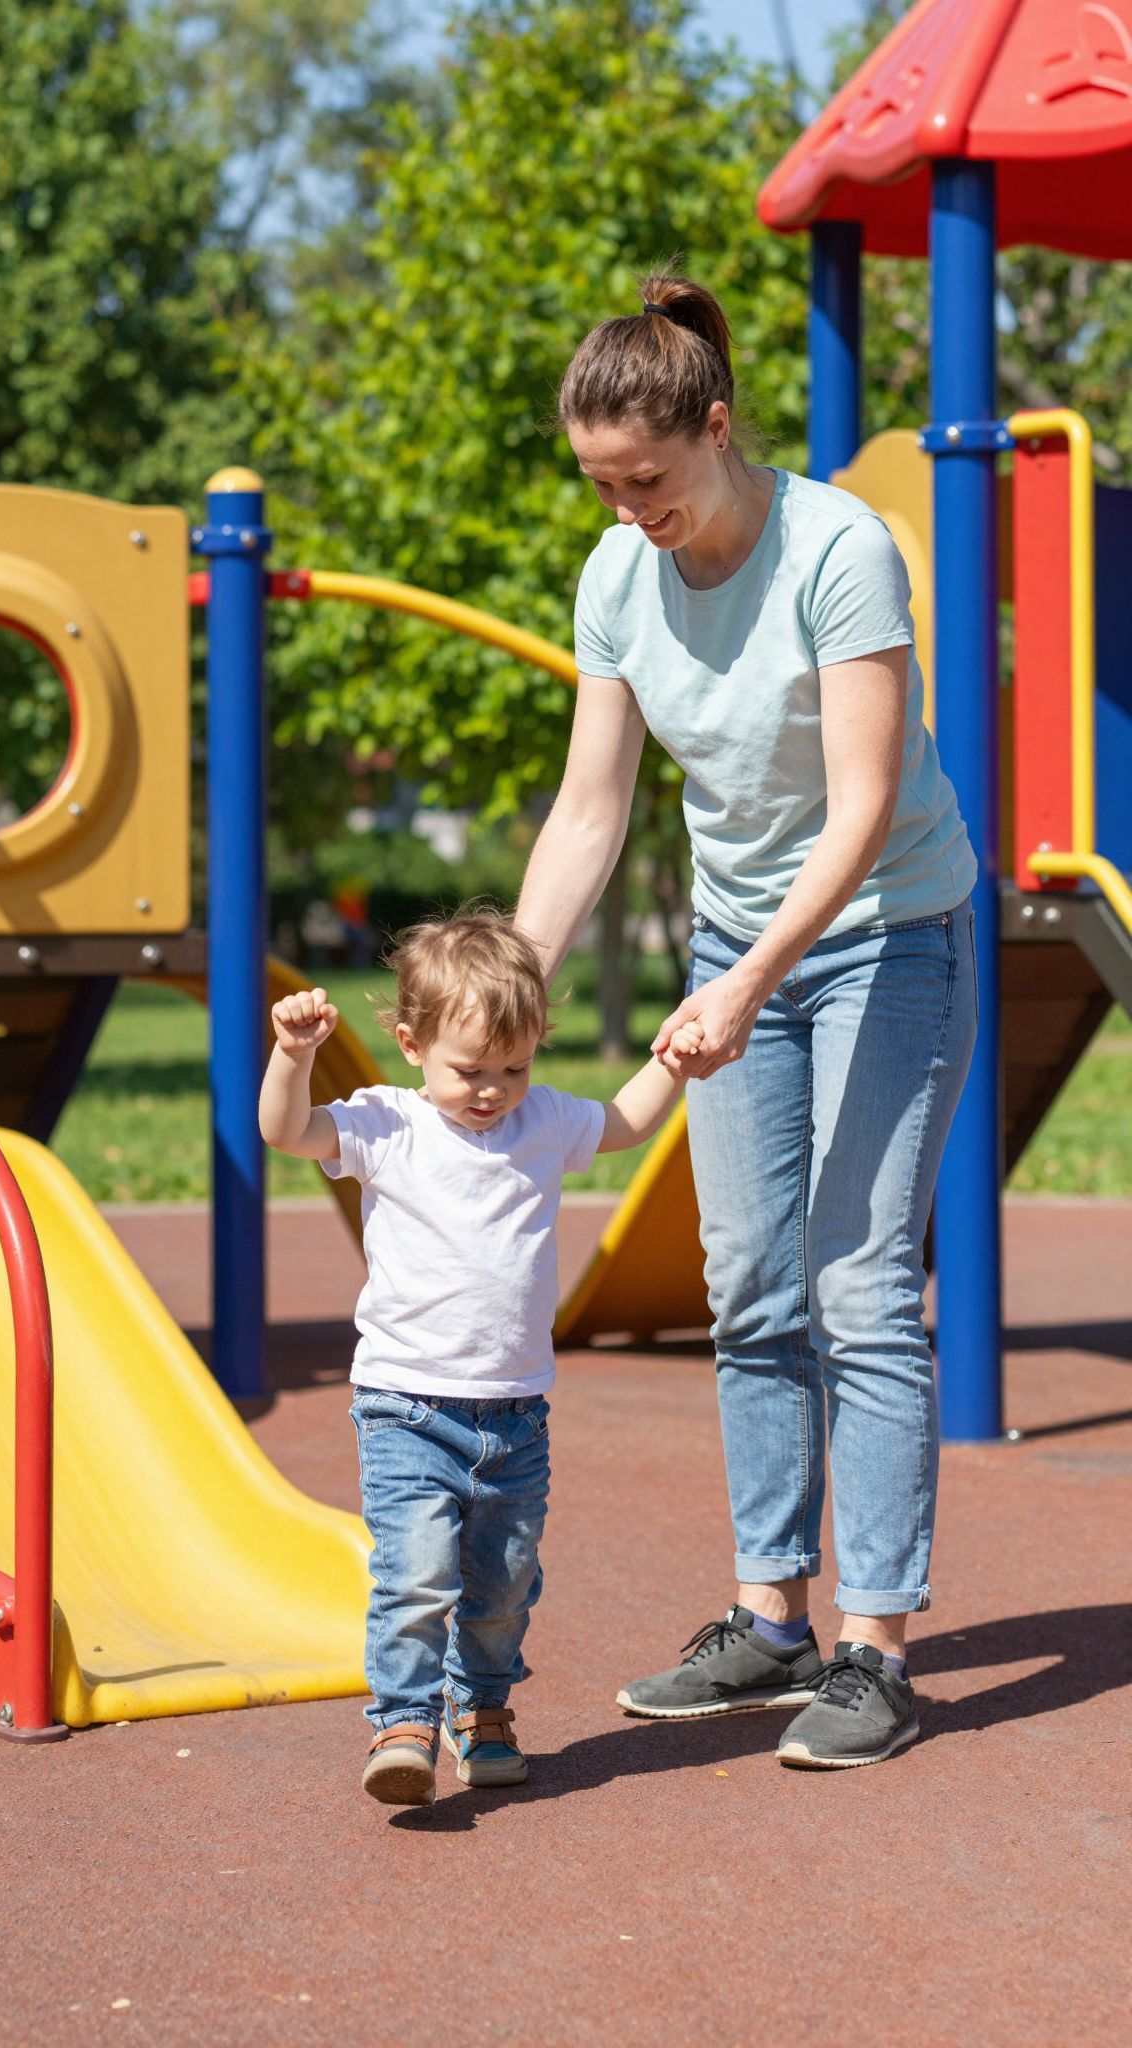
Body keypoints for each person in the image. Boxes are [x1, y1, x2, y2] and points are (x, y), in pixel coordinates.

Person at [515, 272, 979, 1770]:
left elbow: (857, 815)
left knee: (855, 1283)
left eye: (645, 476)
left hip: (888, 937)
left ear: (715, 427)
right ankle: (770, 1619)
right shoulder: (613, 575)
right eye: (598, 481)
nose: (626, 506)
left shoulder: (839, 547)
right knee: (750, 1281)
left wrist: (745, 979)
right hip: (746, 946)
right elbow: (593, 809)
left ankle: (877, 1650)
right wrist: (508, 984)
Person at [258, 908, 702, 1808]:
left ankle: (484, 1706)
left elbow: (621, 1123)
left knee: (501, 1586)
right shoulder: (386, 1124)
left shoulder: (542, 1121)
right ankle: (404, 1724)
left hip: (514, 1413)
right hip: (407, 1408)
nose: (495, 1088)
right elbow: (286, 1132)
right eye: (471, 1071)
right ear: (411, 1042)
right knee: (416, 1573)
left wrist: (672, 1066)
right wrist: (293, 1057)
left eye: (516, 1066)